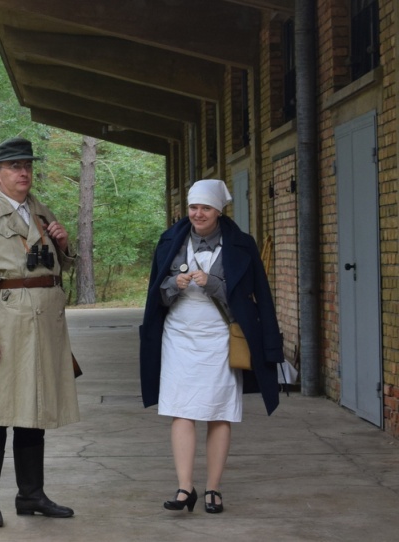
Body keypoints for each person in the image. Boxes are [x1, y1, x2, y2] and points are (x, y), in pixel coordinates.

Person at [0, 137, 81, 528]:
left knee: (34, 411)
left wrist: (64, 244)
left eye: (26, 165)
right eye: (13, 167)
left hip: (44, 326)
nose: (23, 172)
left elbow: (60, 266)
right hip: (4, 323)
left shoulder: (41, 211)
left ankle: (31, 495)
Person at [139, 179, 282, 514]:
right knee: (181, 409)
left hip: (220, 336)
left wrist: (215, 284)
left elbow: (257, 297)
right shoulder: (170, 241)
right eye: (193, 207)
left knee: (218, 412)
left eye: (205, 208)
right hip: (178, 335)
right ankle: (183, 487)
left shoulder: (242, 245)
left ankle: (213, 489)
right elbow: (155, 294)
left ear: (219, 210)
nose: (198, 214)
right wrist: (175, 283)